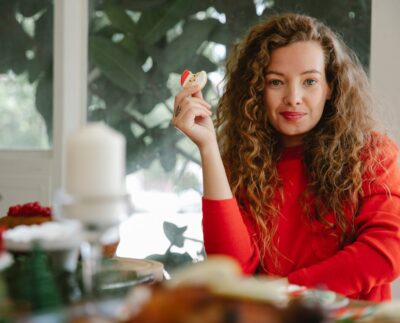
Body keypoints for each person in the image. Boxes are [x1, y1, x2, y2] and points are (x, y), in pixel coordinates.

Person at [172, 13, 400, 301]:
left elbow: (385, 252)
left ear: (331, 87)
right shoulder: (241, 163)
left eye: (309, 82)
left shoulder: (373, 154)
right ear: (257, 89)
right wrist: (208, 147)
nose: (293, 97)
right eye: (277, 82)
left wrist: (288, 289)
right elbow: (230, 268)